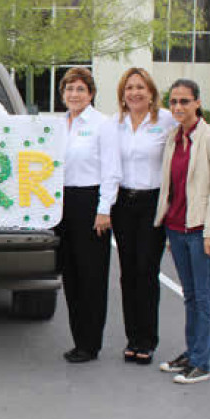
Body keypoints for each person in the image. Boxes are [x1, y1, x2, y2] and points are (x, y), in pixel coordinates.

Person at [155, 79, 210, 384]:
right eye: (173, 101)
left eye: (184, 101)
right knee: (189, 296)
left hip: (200, 229)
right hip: (175, 227)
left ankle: (202, 362)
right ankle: (191, 353)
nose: (178, 107)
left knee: (203, 296)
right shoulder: (173, 137)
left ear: (197, 103)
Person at [111, 68, 177, 365]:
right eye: (129, 88)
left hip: (153, 202)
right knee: (128, 272)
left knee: (147, 270)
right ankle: (132, 338)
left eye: (140, 87)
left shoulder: (166, 121)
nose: (134, 93)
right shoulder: (116, 124)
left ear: (151, 92)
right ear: (122, 94)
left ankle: (147, 340)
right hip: (123, 202)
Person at [57, 67, 121, 363]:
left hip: (91, 203)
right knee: (70, 274)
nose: (74, 94)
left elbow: (112, 170)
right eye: (69, 89)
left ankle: (90, 343)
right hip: (62, 204)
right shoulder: (58, 125)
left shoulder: (102, 124)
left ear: (91, 93)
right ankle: (78, 339)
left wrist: (104, 209)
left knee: (91, 276)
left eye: (80, 89)